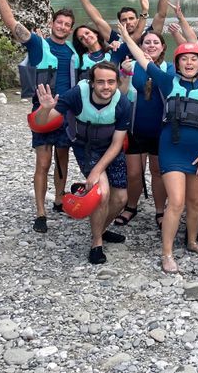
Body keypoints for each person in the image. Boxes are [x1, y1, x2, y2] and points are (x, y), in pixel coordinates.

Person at [119, 26, 198, 274]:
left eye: (193, 59)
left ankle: (192, 241)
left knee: (195, 202)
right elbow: (143, 59)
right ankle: (167, 253)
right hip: (172, 150)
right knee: (176, 201)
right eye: (184, 59)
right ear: (177, 63)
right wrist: (127, 38)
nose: (189, 63)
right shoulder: (166, 81)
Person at [0, 0, 74, 234]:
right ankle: (40, 212)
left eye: (67, 25)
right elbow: (12, 24)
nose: (62, 27)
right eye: (59, 23)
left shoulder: (74, 52)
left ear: (70, 29)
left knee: (62, 160)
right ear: (52, 23)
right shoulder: (38, 44)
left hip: (66, 114)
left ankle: (59, 200)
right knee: (43, 163)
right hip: (43, 112)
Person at [33, 61, 131, 264]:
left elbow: (117, 144)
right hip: (86, 148)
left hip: (110, 149)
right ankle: (96, 243)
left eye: (111, 82)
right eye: (101, 82)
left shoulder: (122, 103)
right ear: (92, 83)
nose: (106, 87)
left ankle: (101, 228)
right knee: (102, 193)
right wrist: (45, 109)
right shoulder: (76, 95)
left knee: (121, 198)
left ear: (117, 83)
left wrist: (97, 170)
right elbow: (41, 123)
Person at [114, 30, 172, 229]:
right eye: (147, 42)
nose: (151, 45)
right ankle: (131, 206)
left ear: (163, 47)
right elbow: (120, 95)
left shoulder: (169, 69)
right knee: (133, 173)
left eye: (156, 42)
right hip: (135, 128)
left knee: (157, 171)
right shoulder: (131, 66)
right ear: (140, 47)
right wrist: (123, 75)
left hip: (160, 130)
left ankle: (160, 210)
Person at [70, 0, 171, 59]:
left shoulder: (149, 36)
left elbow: (161, 15)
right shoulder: (116, 39)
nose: (128, 22)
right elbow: (97, 20)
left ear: (137, 20)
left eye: (131, 18)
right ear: (119, 23)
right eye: (124, 20)